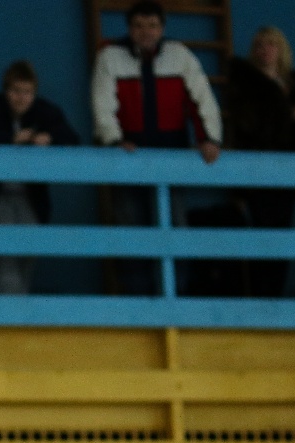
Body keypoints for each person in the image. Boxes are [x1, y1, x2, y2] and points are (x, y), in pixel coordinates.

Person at [91, 0, 223, 295]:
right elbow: (103, 105)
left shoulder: (179, 55)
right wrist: (114, 140)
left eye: (152, 25)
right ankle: (136, 302)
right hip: (127, 158)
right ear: (129, 28)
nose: (146, 32)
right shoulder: (110, 56)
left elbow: (201, 99)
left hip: (172, 159)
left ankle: (176, 298)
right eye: (139, 25)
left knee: (175, 229)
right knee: (131, 232)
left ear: (162, 28)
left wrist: (209, 138)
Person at [0, 61, 79, 295]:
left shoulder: (44, 112)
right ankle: (11, 311)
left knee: (28, 251)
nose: (21, 98)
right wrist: (10, 139)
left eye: (27, 92)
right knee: (5, 251)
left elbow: (71, 137)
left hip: (30, 196)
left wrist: (49, 138)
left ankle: (20, 307)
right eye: (16, 91)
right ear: (6, 91)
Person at [226, 26, 295, 297]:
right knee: (261, 238)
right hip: (258, 172)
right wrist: (287, 115)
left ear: (281, 50)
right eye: (259, 44)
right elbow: (248, 130)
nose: (265, 50)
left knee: (283, 237)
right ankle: (261, 297)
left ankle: (276, 297)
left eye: (271, 44)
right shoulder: (246, 86)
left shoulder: (293, 85)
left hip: (289, 173)